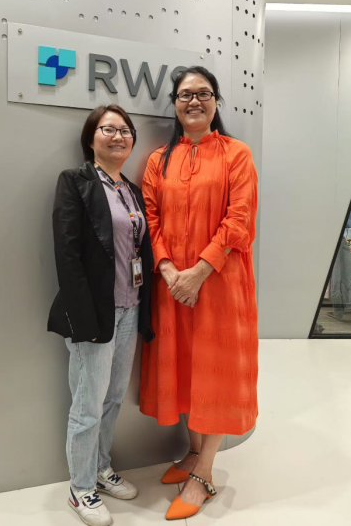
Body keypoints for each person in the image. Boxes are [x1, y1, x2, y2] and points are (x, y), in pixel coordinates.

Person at [139, 67, 259, 520]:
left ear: (215, 101)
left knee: (216, 374)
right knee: (187, 370)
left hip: (220, 284)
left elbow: (239, 219)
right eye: (185, 94)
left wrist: (199, 272)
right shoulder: (158, 161)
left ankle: (205, 473)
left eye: (203, 93)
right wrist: (170, 270)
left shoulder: (236, 154)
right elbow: (149, 219)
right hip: (172, 286)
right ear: (174, 103)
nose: (194, 101)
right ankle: (192, 452)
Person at [48, 104, 154, 526]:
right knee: (88, 405)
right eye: (108, 129)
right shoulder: (75, 182)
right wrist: (83, 318)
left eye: (125, 130)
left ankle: (100, 468)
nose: (118, 136)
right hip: (94, 313)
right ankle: (80, 489)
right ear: (90, 138)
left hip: (131, 307)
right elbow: (67, 254)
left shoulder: (131, 190)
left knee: (112, 398)